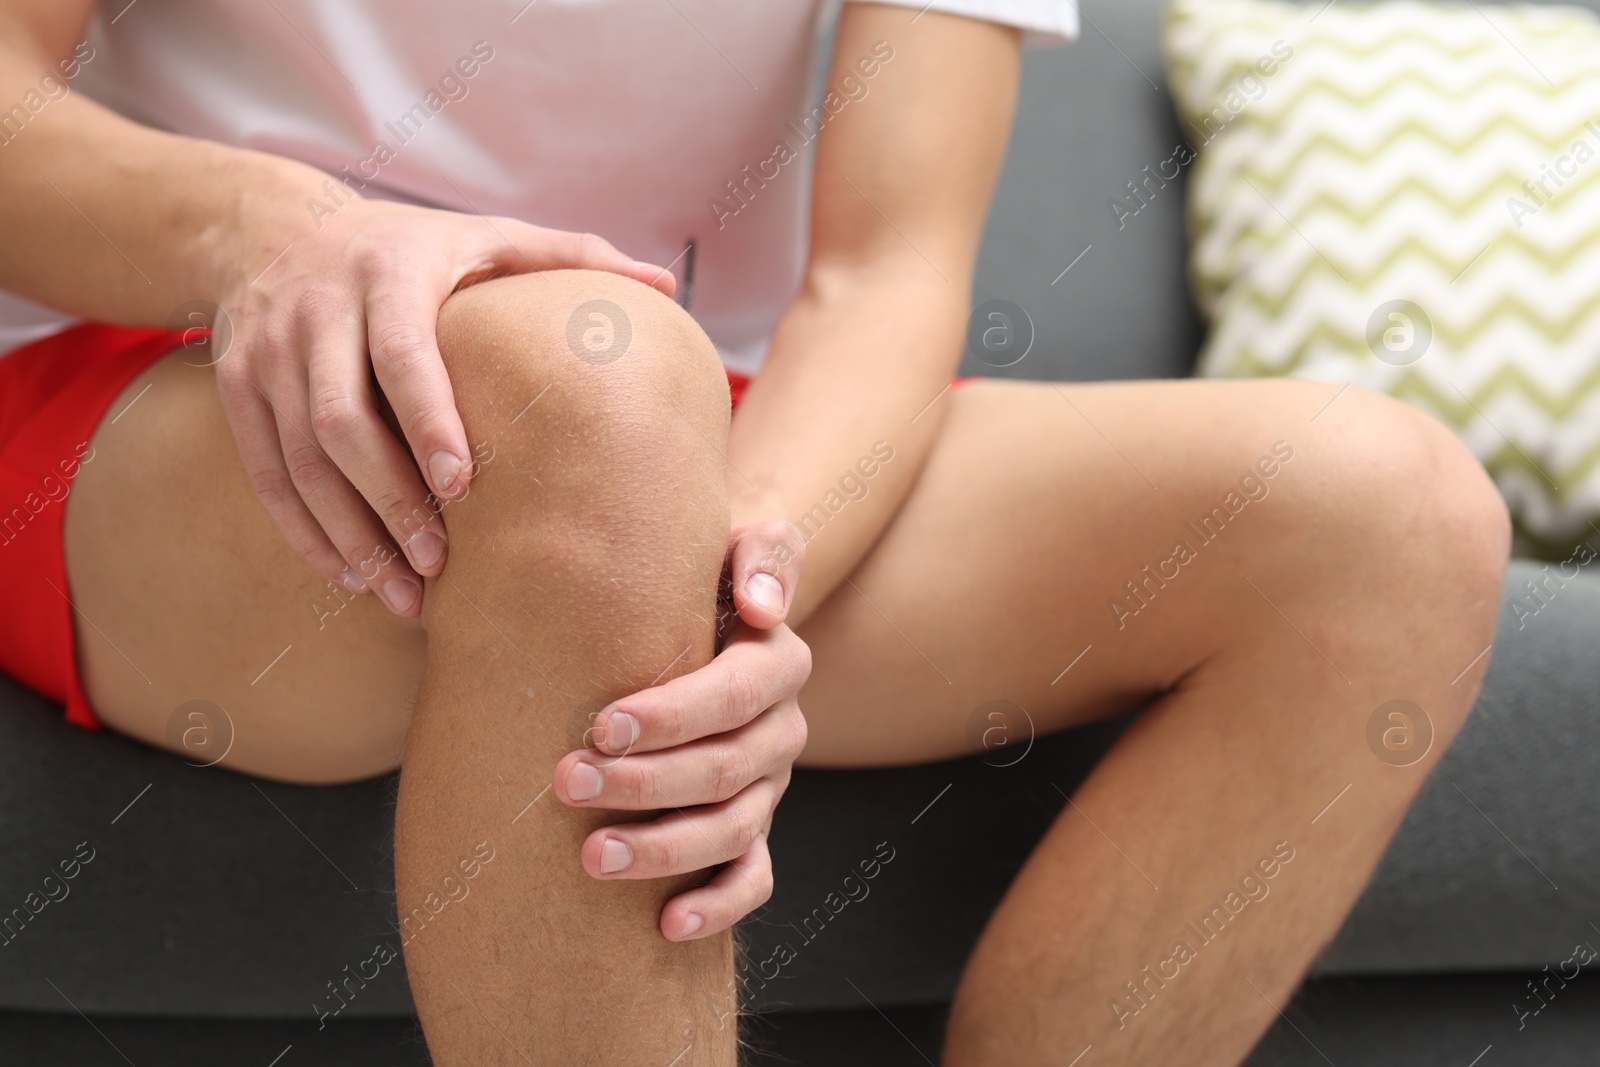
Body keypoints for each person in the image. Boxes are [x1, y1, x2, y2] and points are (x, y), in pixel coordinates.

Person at [0, 0, 1510, 1063]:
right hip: (164, 385)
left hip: (683, 426)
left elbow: (888, 272)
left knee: (1389, 516)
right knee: (601, 389)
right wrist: (279, 231)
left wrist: (744, 585)